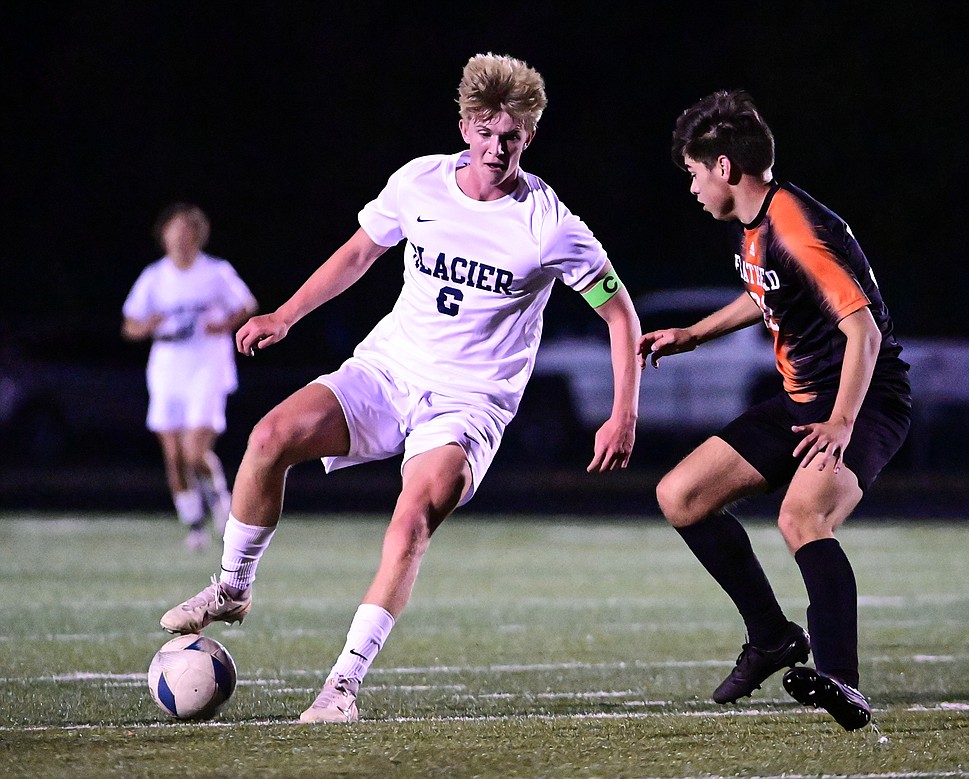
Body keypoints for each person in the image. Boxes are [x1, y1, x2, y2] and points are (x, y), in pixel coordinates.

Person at [159, 53, 641, 723]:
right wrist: (284, 314)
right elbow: (359, 253)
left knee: (411, 518)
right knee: (269, 437)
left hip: (468, 403)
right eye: (487, 131)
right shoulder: (420, 182)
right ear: (466, 125)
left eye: (513, 135)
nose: (498, 148)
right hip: (388, 371)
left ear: (529, 135)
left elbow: (620, 313)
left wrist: (623, 413)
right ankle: (233, 586)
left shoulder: (549, 224)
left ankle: (342, 686)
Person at [638, 90, 910, 731]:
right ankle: (772, 638)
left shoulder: (795, 226)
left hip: (864, 399)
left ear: (724, 169)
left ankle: (844, 684)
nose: (694, 186)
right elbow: (762, 290)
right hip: (802, 398)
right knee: (681, 495)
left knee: (802, 518)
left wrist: (841, 424)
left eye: (695, 172)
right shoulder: (761, 223)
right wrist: (694, 334)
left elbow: (863, 332)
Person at [122, 203, 258, 551]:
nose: (181, 238)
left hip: (207, 365)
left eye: (188, 231)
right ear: (163, 235)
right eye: (174, 230)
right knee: (174, 457)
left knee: (195, 452)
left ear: (199, 235)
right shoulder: (155, 276)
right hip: (167, 369)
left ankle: (221, 502)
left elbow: (246, 304)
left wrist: (223, 325)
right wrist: (146, 326)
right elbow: (130, 325)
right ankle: (194, 525)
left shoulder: (216, 272)